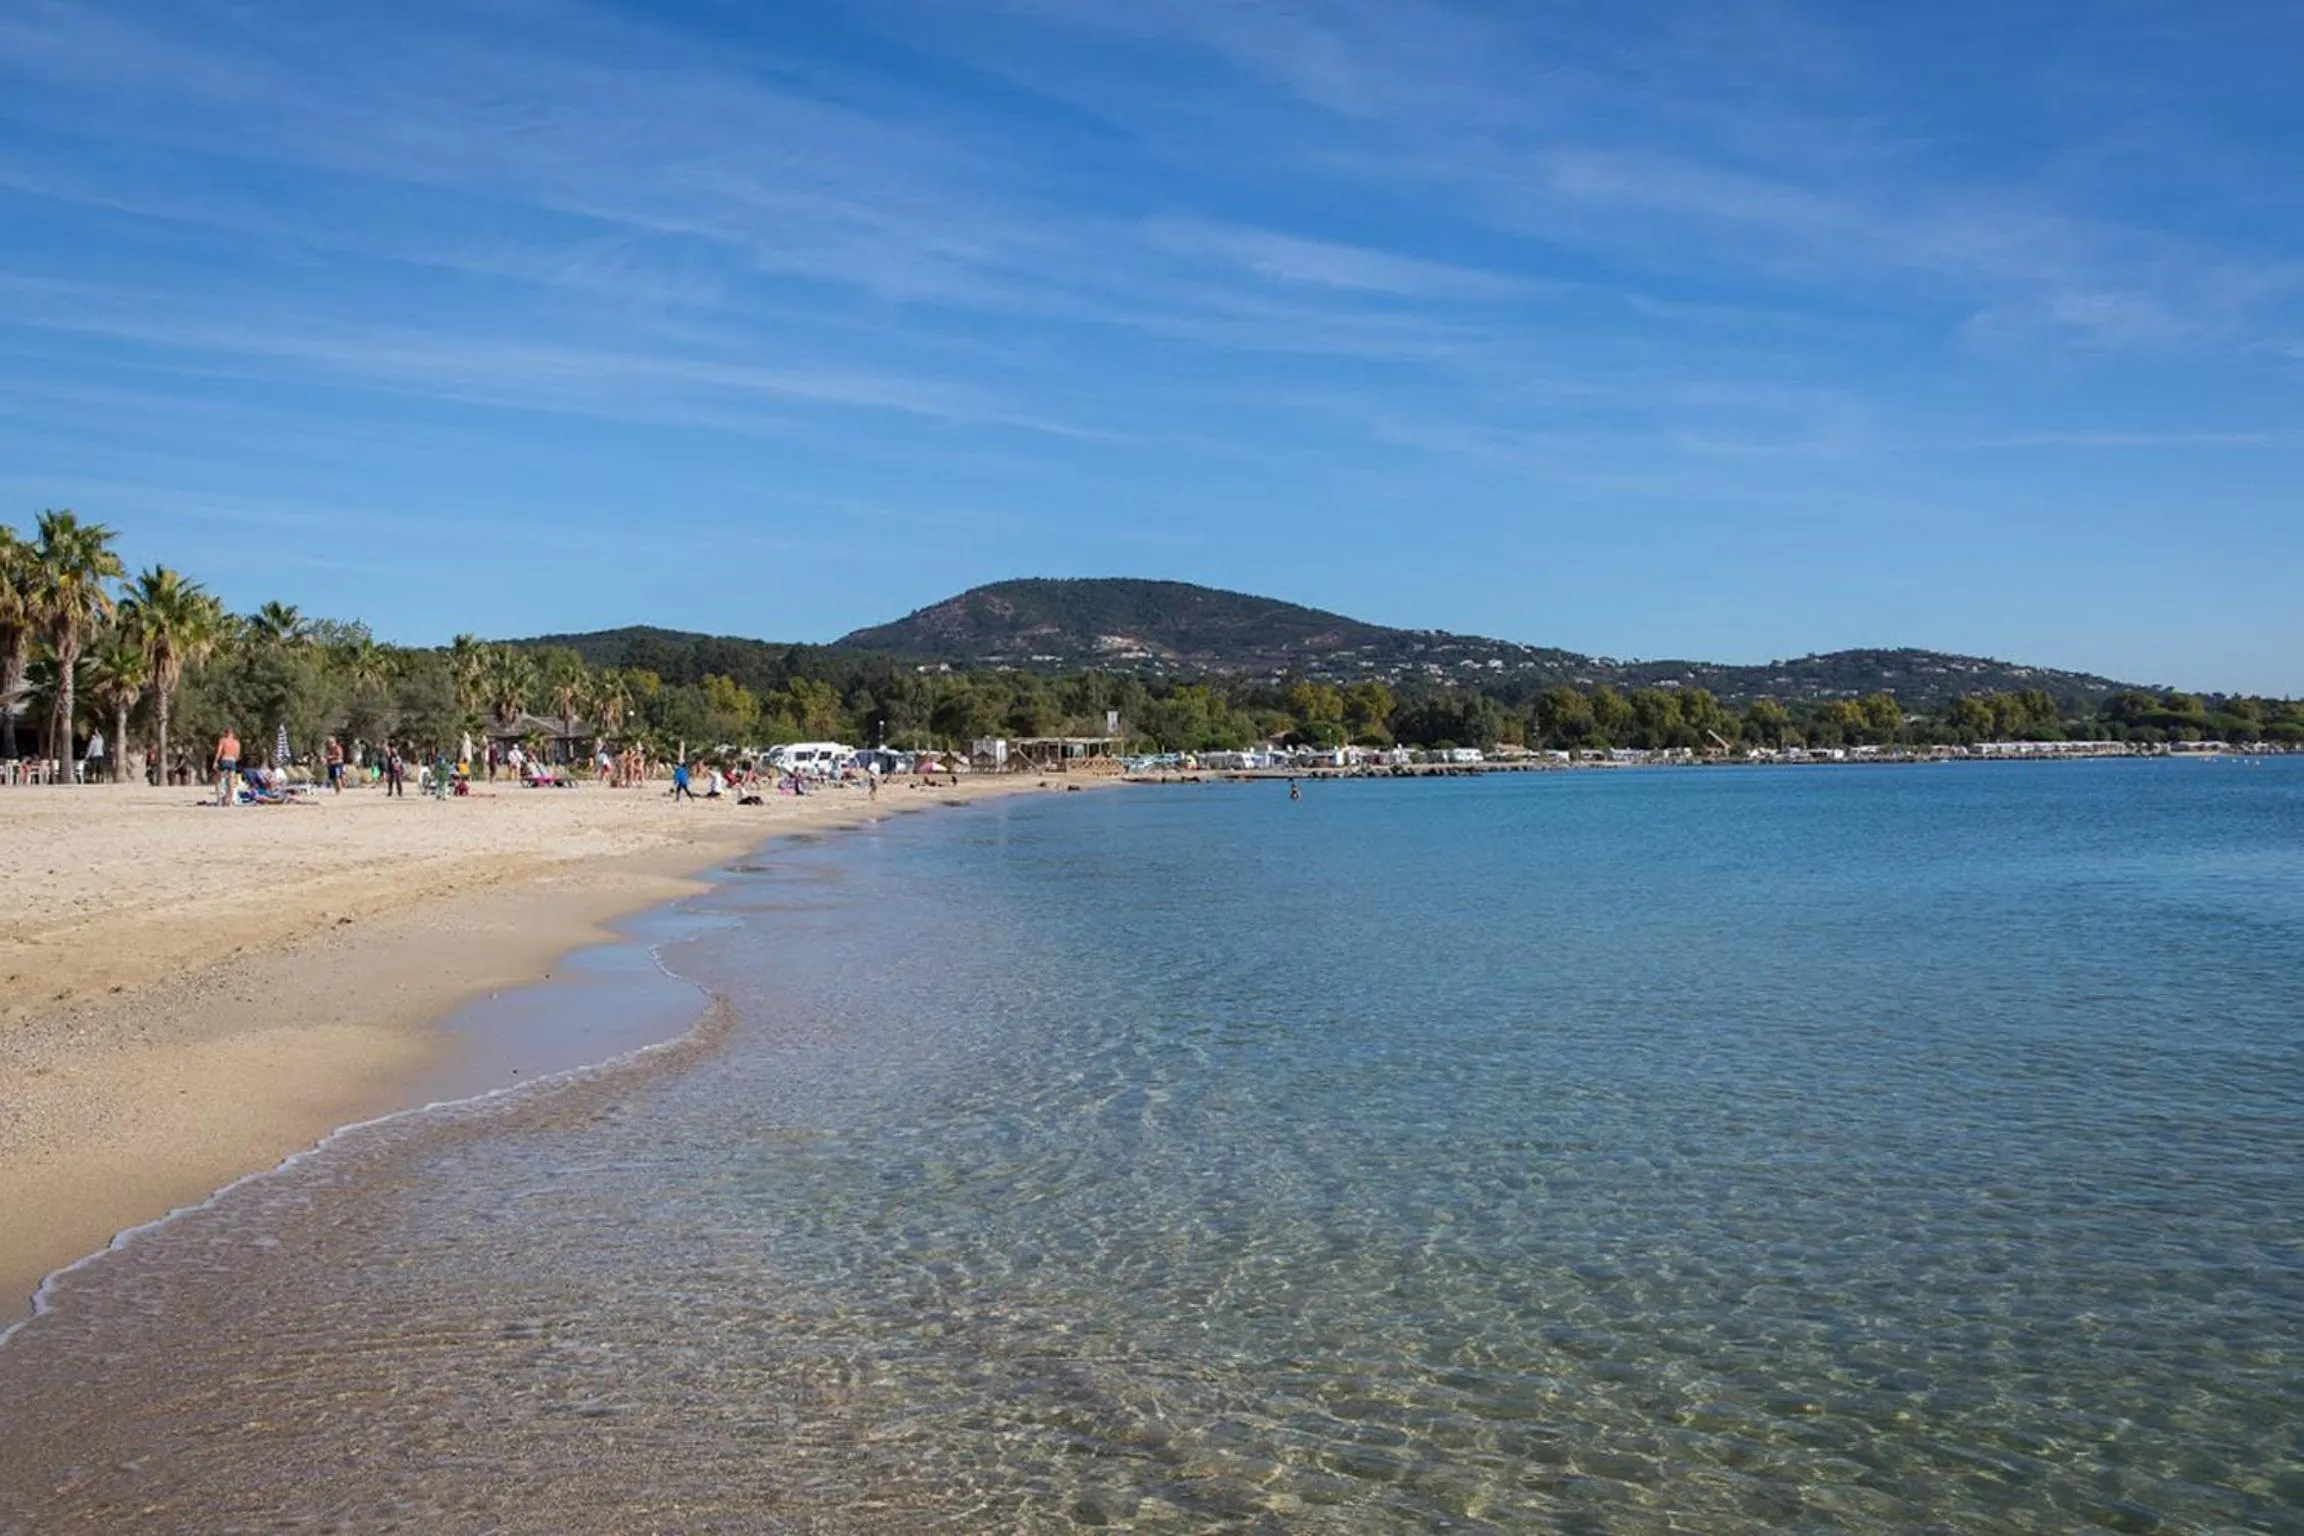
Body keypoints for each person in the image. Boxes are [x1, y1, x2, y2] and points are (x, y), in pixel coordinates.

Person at [213, 728, 241, 806]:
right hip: (232, 761)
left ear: (226, 733)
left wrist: (215, 761)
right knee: (231, 781)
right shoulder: (237, 743)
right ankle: (230, 801)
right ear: (233, 734)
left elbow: (219, 752)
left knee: (217, 779)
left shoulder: (223, 740)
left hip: (224, 760)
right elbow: (237, 755)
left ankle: (219, 800)